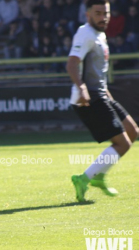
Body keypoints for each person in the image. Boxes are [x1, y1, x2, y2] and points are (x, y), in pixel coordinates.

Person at [66, 0, 139, 202]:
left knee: (133, 131)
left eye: (105, 13)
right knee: (122, 143)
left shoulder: (100, 34)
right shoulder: (85, 33)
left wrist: (109, 95)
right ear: (87, 14)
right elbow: (72, 63)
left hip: (102, 94)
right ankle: (85, 178)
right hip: (88, 98)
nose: (103, 17)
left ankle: (98, 176)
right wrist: (81, 87)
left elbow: (97, 72)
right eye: (98, 13)